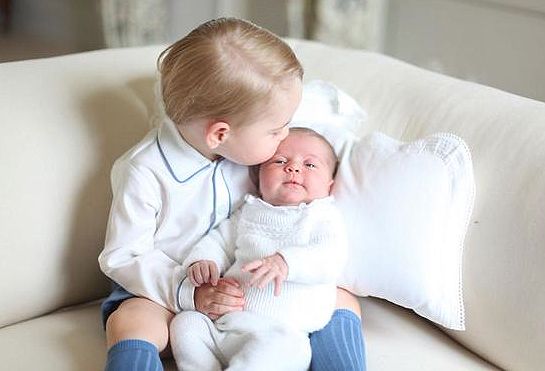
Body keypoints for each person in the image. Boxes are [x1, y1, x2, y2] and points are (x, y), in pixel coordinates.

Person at [98, 17, 365, 371]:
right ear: (220, 134)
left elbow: (312, 117)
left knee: (342, 299)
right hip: (167, 290)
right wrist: (190, 292)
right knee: (131, 319)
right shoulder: (145, 172)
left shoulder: (250, 145)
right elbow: (122, 256)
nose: (284, 135)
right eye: (276, 130)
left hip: (254, 289)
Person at [170, 128, 346, 371]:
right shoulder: (249, 211)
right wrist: (203, 260)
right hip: (226, 325)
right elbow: (219, 240)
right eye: (280, 161)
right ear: (259, 174)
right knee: (186, 324)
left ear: (330, 185)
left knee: (289, 350)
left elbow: (331, 257)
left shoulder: (323, 216)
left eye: (310, 165)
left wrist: (286, 262)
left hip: (281, 332)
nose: (293, 168)